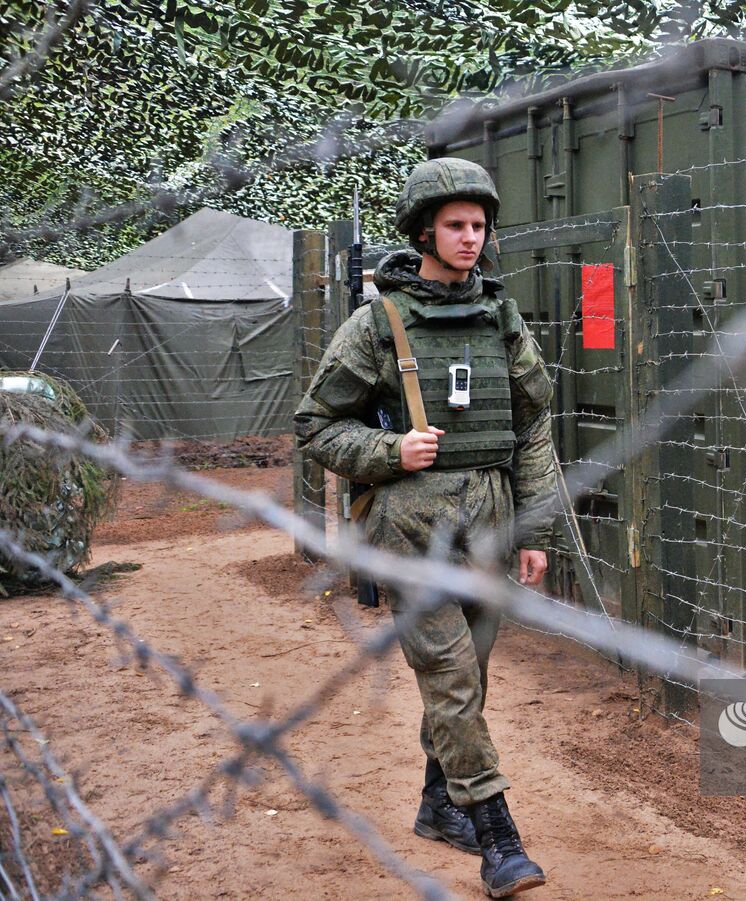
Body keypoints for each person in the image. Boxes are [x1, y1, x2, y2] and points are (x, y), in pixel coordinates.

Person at [294, 157, 554, 898]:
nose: (471, 238)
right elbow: (315, 424)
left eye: (479, 225)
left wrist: (537, 530)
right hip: (411, 526)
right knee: (447, 675)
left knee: (466, 675)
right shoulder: (377, 323)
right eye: (456, 225)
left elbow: (535, 426)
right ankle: (500, 840)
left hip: (493, 522)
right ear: (423, 232)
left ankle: (441, 803)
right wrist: (388, 450)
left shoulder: (502, 316)